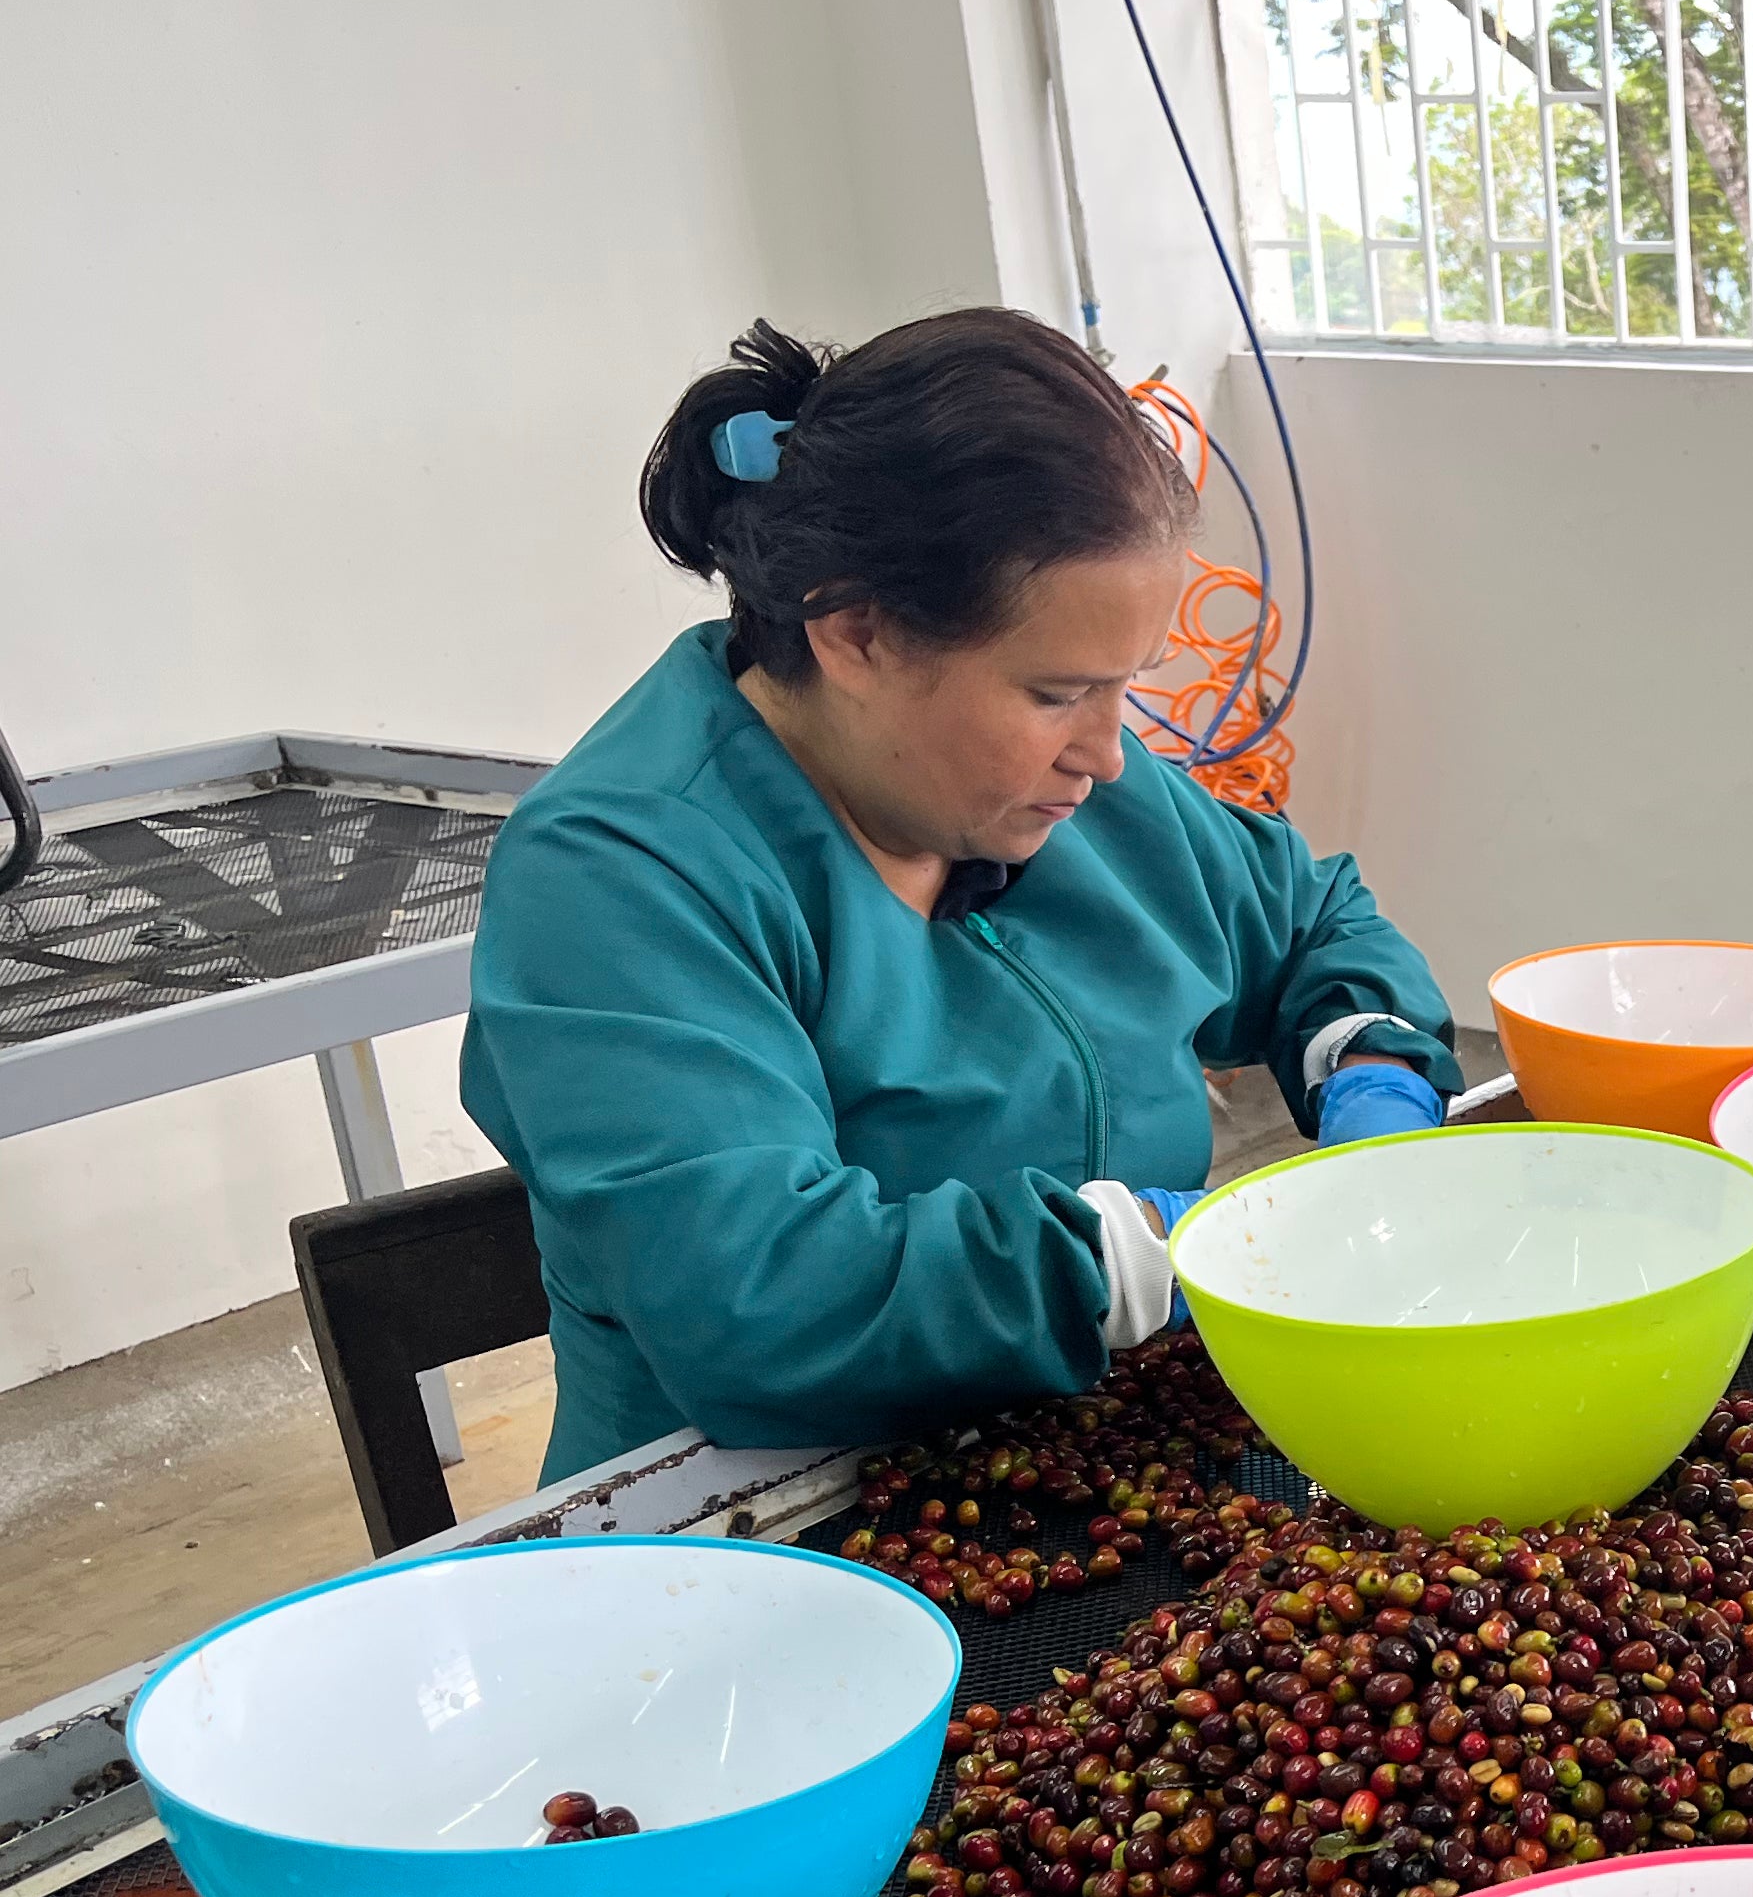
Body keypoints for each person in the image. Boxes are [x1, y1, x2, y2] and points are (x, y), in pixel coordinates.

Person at [463, 311, 1460, 1480]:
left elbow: (1309, 923)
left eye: (1122, 689)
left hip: (1091, 1461)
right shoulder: (618, 880)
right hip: (760, 1527)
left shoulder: (1076, 796)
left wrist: (1372, 1067)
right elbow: (762, 1302)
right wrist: (1151, 1254)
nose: (1108, 752)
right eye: (1056, 691)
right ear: (857, 631)